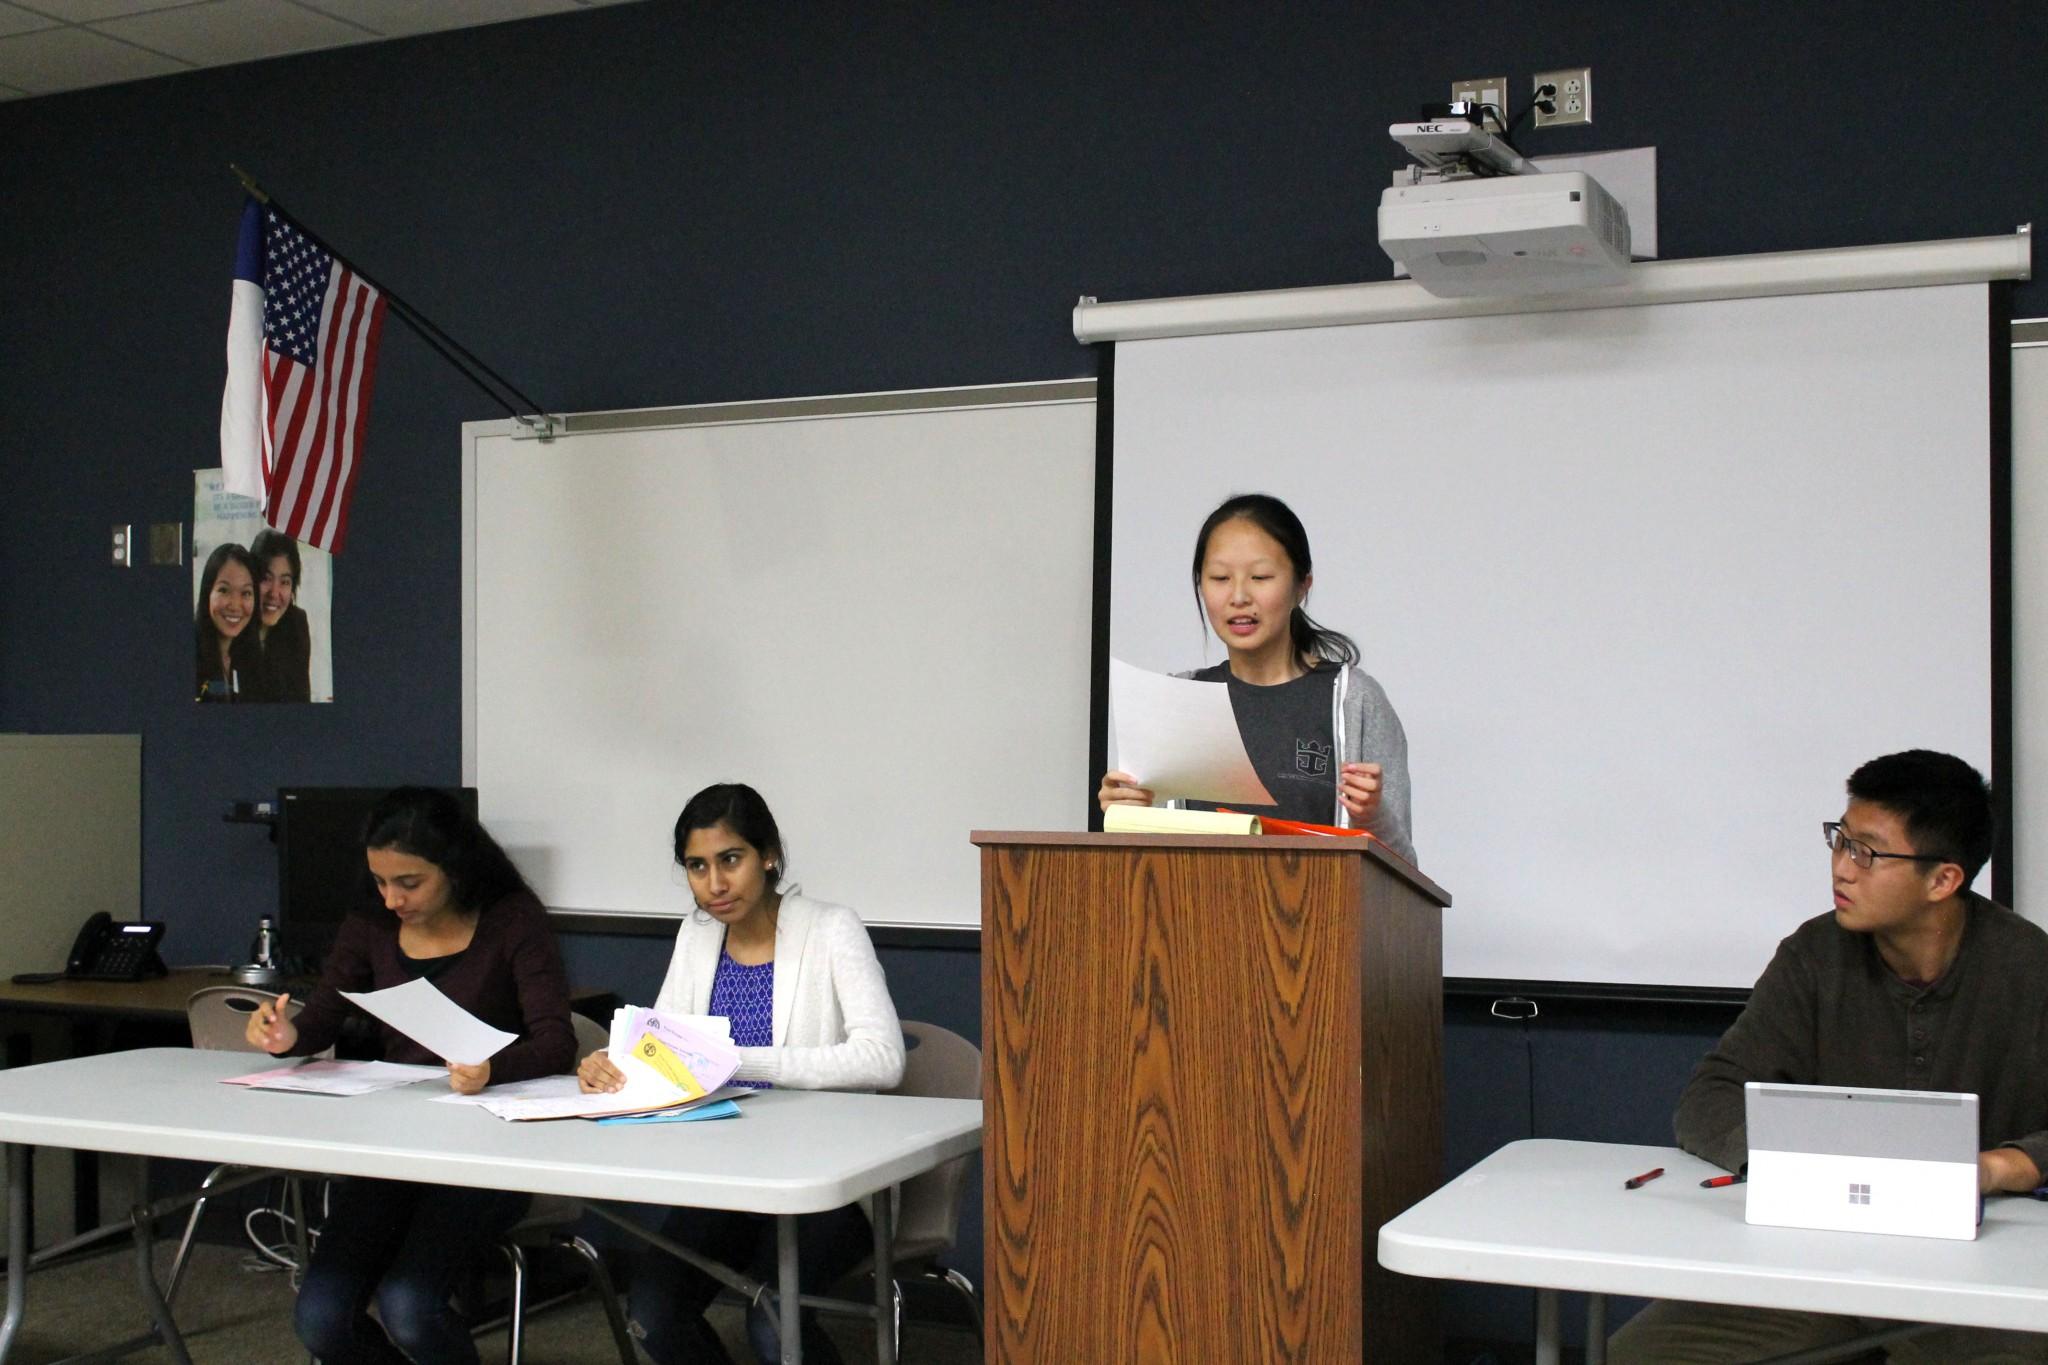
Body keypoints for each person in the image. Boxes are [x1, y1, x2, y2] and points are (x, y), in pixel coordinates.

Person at [1609, 750, 2048, 1364]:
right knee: (1639, 1353)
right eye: (1840, 841)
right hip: (1816, 1258)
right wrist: (1795, 1163)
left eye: (1867, 852)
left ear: (1943, 880)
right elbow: (1711, 1094)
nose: (1842, 868)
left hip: (1975, 1268)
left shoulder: (2029, 969)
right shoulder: (1814, 954)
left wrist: (2003, 1167)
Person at [245, 786, 576, 1365]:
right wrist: (287, 1036)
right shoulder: (369, 923)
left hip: (487, 1148)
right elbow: (323, 1015)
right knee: (320, 1316)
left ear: (455, 869)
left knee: (410, 1305)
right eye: (380, 881)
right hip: (394, 1145)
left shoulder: (512, 919)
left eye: (410, 883)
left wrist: (492, 1069)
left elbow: (556, 1041)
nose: (392, 898)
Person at [577, 782, 904, 1365]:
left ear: (769, 855)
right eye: (697, 867)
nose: (715, 884)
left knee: (774, 1326)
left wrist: (741, 1062)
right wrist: (611, 1063)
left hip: (828, 1181)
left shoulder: (831, 928)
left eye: (731, 860)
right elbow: (664, 1051)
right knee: (652, 1313)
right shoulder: (697, 934)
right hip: (726, 1174)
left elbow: (884, 1058)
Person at [1097, 492, 1416, 861]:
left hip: (1322, 916)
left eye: (1260, 577)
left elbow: (1406, 868)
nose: (1238, 596)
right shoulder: (1176, 700)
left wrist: (1374, 818)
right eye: (1219, 578)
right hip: (1195, 913)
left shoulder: (1352, 699)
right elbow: (1145, 866)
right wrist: (1127, 813)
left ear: (1301, 585)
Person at [245, 527, 312, 703]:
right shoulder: (232, 621)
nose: (274, 593)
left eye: (285, 582)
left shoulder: (297, 623)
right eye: (266, 578)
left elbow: (302, 699)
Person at [193, 542, 260, 702]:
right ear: (207, 593)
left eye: (246, 593)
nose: (235, 605)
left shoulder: (249, 657)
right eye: (224, 590)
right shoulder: (189, 655)